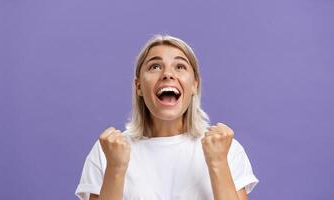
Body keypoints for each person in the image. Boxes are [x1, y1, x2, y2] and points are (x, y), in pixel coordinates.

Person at [75, 34, 258, 200]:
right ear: (138, 86)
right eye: (155, 66)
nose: (168, 74)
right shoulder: (107, 151)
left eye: (180, 66)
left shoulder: (226, 149)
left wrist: (218, 162)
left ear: (194, 85)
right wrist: (115, 168)